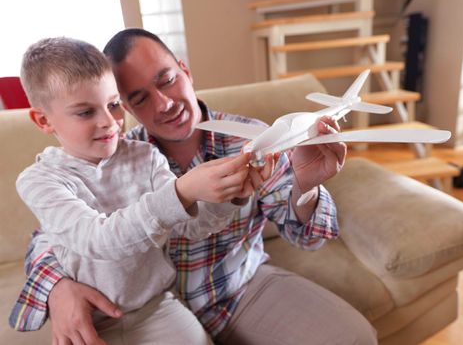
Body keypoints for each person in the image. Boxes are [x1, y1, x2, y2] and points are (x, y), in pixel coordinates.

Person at [11, 29, 378, 344]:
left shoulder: (250, 141)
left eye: (166, 79)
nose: (164, 103)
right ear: (129, 106)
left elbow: (309, 238)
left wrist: (306, 188)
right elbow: (52, 236)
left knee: (354, 337)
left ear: (185, 71)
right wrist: (57, 288)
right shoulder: (112, 156)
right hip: (148, 307)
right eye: (138, 98)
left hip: (233, 291)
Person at [14, 36, 273, 345]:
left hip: (156, 308)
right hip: (90, 320)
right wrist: (181, 191)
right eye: (86, 112)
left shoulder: (145, 156)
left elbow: (192, 228)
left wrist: (234, 194)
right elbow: (99, 240)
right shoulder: (39, 181)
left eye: (113, 105)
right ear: (43, 120)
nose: (109, 123)